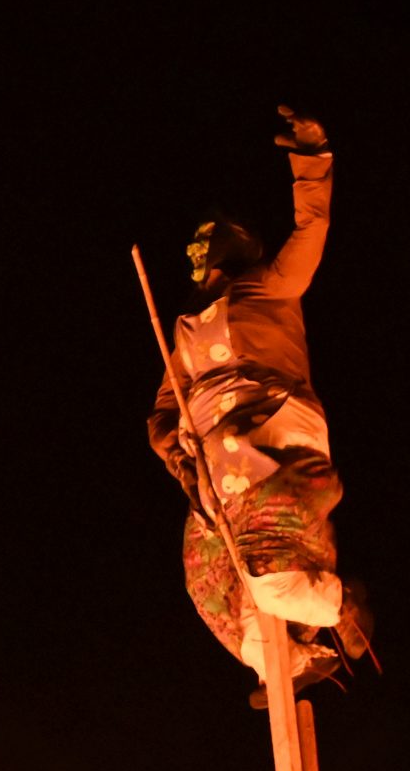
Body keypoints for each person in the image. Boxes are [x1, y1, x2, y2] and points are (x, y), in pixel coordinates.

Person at [148, 106, 365, 689]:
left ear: (234, 246)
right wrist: (178, 454)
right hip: (216, 462)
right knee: (209, 579)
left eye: (205, 242)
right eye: (194, 246)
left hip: (267, 428)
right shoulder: (187, 329)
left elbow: (310, 232)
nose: (196, 254)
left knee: (270, 569)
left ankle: (335, 605)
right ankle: (293, 663)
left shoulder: (268, 286)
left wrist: (311, 160)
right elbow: (165, 408)